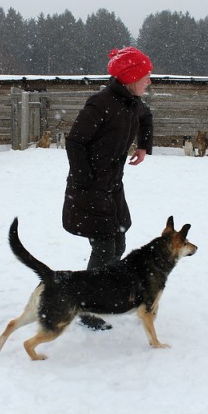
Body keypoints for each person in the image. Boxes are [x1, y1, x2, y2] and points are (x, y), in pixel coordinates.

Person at [62, 46, 154, 330]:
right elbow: (75, 141)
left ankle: (106, 291)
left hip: (113, 186)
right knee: (104, 247)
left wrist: (143, 146)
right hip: (90, 187)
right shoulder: (100, 104)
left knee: (120, 239)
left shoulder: (131, 103)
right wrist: (85, 180)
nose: (149, 81)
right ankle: (86, 307)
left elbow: (146, 117)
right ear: (131, 77)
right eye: (146, 76)